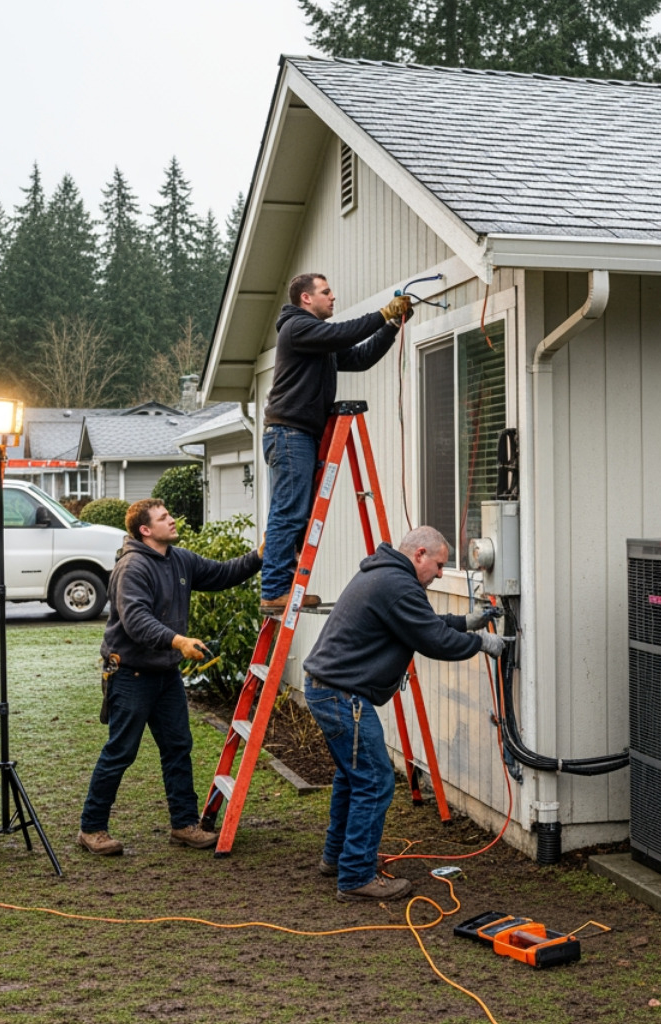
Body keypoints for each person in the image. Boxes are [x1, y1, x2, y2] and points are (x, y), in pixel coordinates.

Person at [301, 525, 505, 902]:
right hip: (341, 696)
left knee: (353, 777)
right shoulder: (398, 585)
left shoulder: (387, 576)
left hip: (328, 690)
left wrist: (466, 623)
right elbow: (431, 639)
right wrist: (483, 642)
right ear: (420, 555)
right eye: (440, 565)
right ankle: (356, 876)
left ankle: (339, 859)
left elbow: (420, 624)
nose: (442, 573)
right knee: (376, 781)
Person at [77, 498, 262, 856]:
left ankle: (184, 824)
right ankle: (91, 829)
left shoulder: (179, 559)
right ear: (145, 530)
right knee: (120, 752)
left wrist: (259, 555)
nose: (173, 520)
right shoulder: (132, 568)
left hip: (165, 674)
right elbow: (137, 622)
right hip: (130, 674)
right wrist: (178, 641)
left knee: (178, 748)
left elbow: (223, 574)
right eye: (164, 518)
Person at [260, 272, 412, 616]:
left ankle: (282, 587)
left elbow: (358, 358)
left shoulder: (318, 342)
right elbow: (344, 332)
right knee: (288, 512)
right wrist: (383, 313)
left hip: (300, 435)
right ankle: (273, 591)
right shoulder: (297, 328)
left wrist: (391, 327)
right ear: (306, 299)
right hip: (289, 434)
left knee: (296, 514)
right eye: (326, 292)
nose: (333, 297)